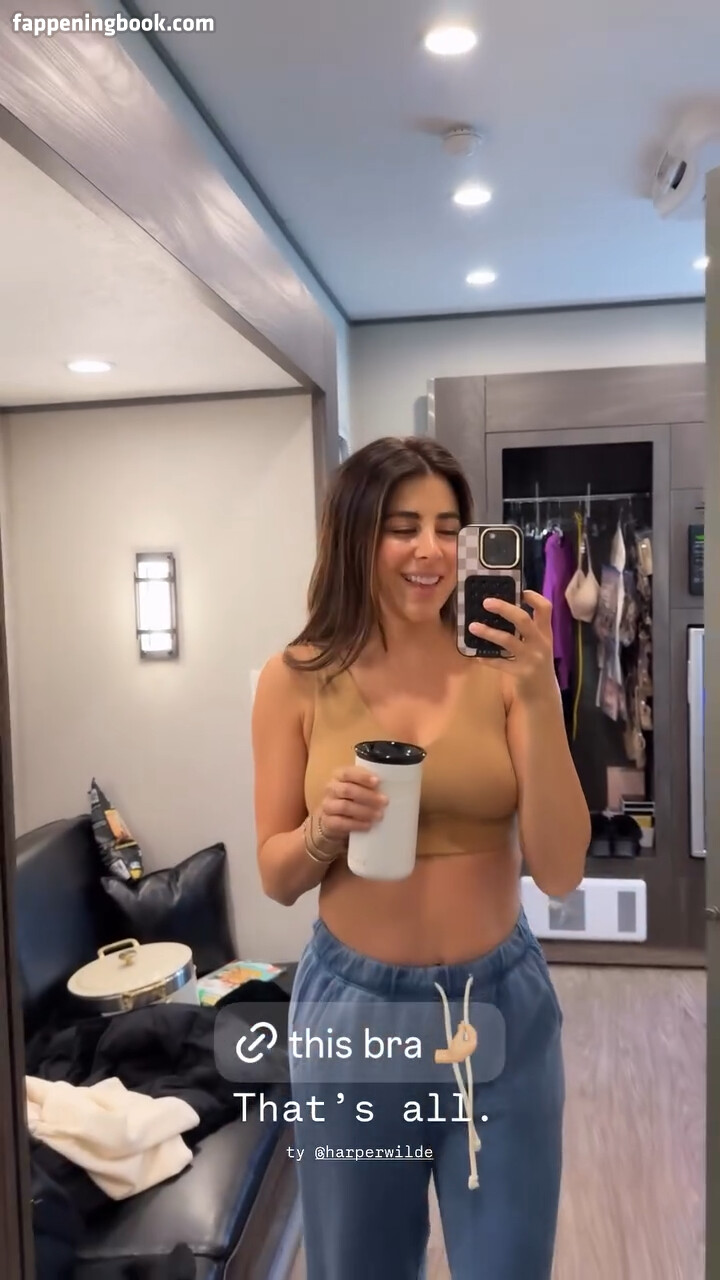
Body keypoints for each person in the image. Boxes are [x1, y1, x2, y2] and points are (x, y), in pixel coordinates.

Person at [252, 436, 591, 1280]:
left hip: (499, 1007)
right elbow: (277, 874)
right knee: (357, 1265)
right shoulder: (293, 679)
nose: (430, 551)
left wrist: (540, 693)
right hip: (354, 1016)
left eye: (447, 527)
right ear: (355, 535)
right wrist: (324, 830)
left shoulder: (504, 669)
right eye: (403, 527)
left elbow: (560, 871)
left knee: (508, 1264)